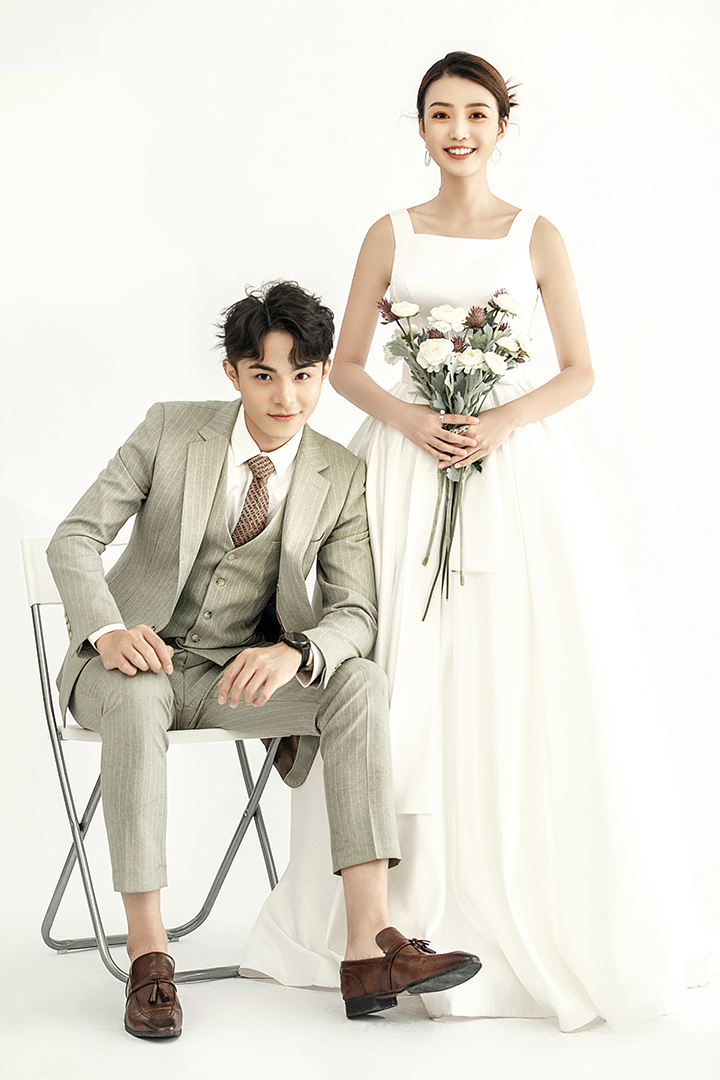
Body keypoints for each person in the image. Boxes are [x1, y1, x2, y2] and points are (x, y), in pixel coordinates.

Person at [242, 56, 720, 1031]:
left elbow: (580, 370)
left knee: (517, 666)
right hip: (404, 468)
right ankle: (384, 922)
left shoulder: (537, 234)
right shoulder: (390, 231)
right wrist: (417, 420)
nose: (457, 130)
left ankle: (512, 903)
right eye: (439, 114)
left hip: (512, 471)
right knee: (399, 665)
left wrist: (496, 422)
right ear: (420, 127)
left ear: (502, 126)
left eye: (474, 114)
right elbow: (347, 366)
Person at [46, 280, 482, 1039]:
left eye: (304, 375)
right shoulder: (170, 430)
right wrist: (107, 632)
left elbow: (356, 613)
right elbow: (74, 538)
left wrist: (296, 651)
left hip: (232, 679)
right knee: (141, 693)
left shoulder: (339, 474)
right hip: (122, 669)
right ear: (233, 373)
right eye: (264, 375)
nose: (287, 397)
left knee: (360, 682)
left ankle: (368, 947)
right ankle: (148, 955)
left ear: (323, 373)